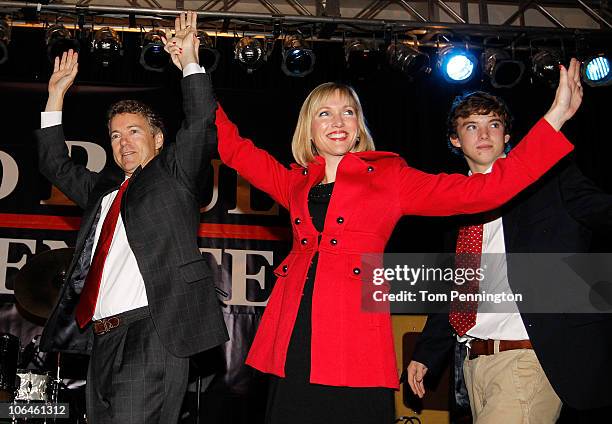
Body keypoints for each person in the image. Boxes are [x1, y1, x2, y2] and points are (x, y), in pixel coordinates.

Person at [167, 28, 579, 420]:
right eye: (324, 113)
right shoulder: (294, 182)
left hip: (355, 338)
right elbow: (233, 147)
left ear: (359, 125)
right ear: (309, 129)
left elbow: (483, 193)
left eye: (348, 112)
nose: (338, 121)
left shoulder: (390, 178)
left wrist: (554, 119)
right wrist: (191, 67)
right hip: (294, 334)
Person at [36, 12, 228, 424]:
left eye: (135, 132)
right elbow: (55, 165)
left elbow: (199, 123)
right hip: (102, 339)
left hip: (152, 331)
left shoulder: (172, 175)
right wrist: (55, 97)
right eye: (116, 136)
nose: (124, 142)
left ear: (158, 140)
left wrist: (191, 62)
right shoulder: (103, 190)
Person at [407, 90, 612, 423]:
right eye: (471, 126)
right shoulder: (452, 204)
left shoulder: (552, 181)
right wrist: (428, 353)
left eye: (494, 124)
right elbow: (454, 290)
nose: (485, 135)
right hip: (473, 364)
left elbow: (604, 211)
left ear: (507, 135)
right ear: (455, 140)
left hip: (529, 360)